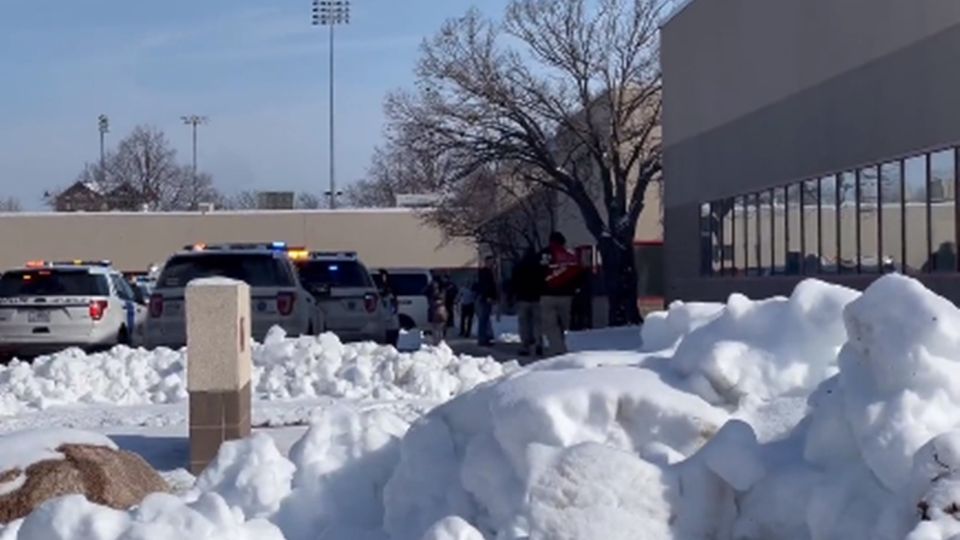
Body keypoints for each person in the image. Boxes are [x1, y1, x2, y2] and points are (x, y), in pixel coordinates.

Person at [539, 232, 581, 356]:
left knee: (551, 325)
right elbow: (578, 274)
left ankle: (557, 350)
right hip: (566, 296)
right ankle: (565, 346)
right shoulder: (570, 256)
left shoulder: (542, 255)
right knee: (565, 324)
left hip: (547, 295)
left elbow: (534, 274)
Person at [511, 248, 545, 357]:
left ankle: (525, 346)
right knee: (537, 323)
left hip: (522, 298)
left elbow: (514, 283)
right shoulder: (540, 267)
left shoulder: (519, 266)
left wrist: (513, 295)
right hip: (537, 298)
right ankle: (539, 344)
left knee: (524, 324)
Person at [476, 256, 498, 347]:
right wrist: (488, 296)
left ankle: (486, 337)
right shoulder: (485, 272)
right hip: (485, 298)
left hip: (487, 298)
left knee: (485, 318)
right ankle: (482, 338)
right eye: (491, 262)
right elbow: (486, 286)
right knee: (483, 319)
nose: (492, 264)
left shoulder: (490, 272)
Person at [377, 269, 400, 347]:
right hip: (384, 320)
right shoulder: (380, 289)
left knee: (391, 336)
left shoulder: (390, 293)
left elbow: (394, 306)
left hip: (390, 320)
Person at [425, 278, 449, 346]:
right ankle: (440, 343)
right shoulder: (442, 293)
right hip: (441, 313)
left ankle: (437, 343)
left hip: (434, 314)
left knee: (435, 329)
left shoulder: (430, 296)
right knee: (440, 329)